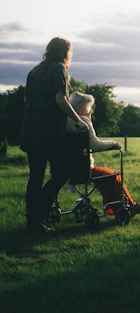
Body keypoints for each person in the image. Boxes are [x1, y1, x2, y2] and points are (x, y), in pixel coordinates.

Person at [21, 37, 88, 233]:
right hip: (48, 133)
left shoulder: (34, 72)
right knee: (62, 173)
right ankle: (37, 213)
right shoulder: (59, 69)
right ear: (64, 52)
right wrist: (78, 119)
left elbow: (27, 101)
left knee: (36, 176)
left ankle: (32, 221)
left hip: (30, 130)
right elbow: (60, 99)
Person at [66, 92, 140, 218]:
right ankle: (128, 206)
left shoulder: (64, 121)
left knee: (105, 175)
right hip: (83, 170)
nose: (91, 110)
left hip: (65, 170)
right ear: (82, 107)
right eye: (89, 106)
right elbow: (95, 145)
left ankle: (119, 206)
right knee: (113, 175)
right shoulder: (83, 122)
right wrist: (114, 144)